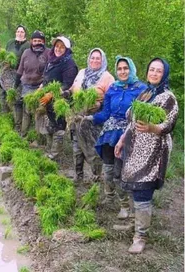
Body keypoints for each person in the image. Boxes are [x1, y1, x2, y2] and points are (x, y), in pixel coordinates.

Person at [114, 57, 179, 254]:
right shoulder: (144, 93)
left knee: (143, 192)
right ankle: (134, 224)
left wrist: (152, 127)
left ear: (164, 74)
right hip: (135, 150)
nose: (154, 73)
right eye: (152, 69)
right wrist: (122, 140)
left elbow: (169, 124)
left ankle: (140, 237)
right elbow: (131, 121)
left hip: (153, 153)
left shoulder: (168, 97)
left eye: (159, 71)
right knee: (133, 188)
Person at [84, 56, 147, 221]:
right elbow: (106, 113)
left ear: (131, 69)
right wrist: (90, 118)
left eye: (125, 68)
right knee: (108, 170)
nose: (122, 71)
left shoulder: (141, 89)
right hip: (108, 134)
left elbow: (141, 116)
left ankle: (126, 207)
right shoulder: (113, 88)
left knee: (121, 172)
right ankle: (113, 198)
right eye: (119, 69)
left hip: (127, 134)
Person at [69, 48, 115, 183]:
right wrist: (65, 93)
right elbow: (73, 88)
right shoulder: (82, 72)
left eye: (98, 58)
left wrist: (100, 105)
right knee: (76, 146)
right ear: (89, 59)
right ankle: (79, 175)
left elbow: (111, 100)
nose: (94, 60)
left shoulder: (108, 77)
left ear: (103, 60)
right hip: (77, 114)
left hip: (94, 119)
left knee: (92, 147)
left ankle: (96, 176)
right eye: (92, 58)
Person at [39, 36, 78, 159]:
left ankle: (55, 155)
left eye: (62, 47)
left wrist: (51, 93)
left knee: (59, 125)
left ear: (67, 49)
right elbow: (46, 77)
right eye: (57, 46)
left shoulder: (69, 64)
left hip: (60, 101)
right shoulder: (51, 60)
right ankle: (49, 150)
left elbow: (68, 84)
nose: (58, 49)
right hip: (47, 100)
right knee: (50, 124)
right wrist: (41, 87)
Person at [14, 30, 50, 136]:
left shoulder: (48, 53)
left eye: (39, 40)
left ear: (43, 42)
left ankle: (37, 136)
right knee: (27, 110)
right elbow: (20, 69)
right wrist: (15, 84)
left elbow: (50, 71)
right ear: (31, 41)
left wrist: (44, 85)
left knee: (39, 112)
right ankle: (23, 133)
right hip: (27, 85)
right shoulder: (26, 52)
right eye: (35, 40)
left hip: (40, 86)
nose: (37, 42)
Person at [0, 25, 30, 112]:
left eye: (22, 32)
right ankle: (4, 110)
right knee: (4, 89)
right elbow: (6, 54)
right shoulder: (10, 42)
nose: (20, 33)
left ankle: (15, 113)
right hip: (7, 70)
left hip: (18, 72)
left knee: (16, 92)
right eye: (18, 31)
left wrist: (15, 64)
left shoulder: (27, 45)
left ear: (25, 34)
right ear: (16, 32)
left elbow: (26, 60)